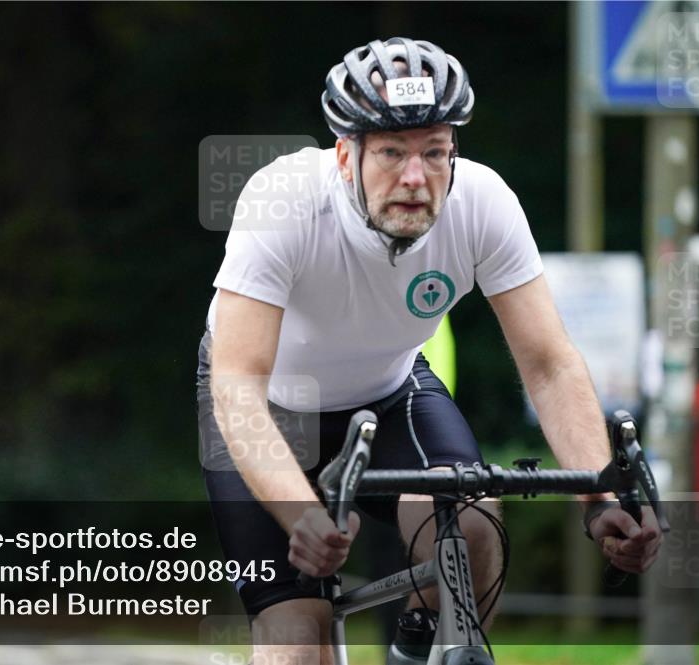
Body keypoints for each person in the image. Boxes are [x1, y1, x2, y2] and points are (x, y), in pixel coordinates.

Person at [196, 37, 663, 665]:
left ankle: (418, 651)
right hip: (267, 410)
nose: (416, 178)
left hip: (389, 393)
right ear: (344, 156)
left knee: (472, 534)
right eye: (391, 152)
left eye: (435, 152)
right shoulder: (283, 203)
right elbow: (237, 384)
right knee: (298, 640)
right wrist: (299, 514)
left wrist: (600, 499)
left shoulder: (482, 202)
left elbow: (549, 363)